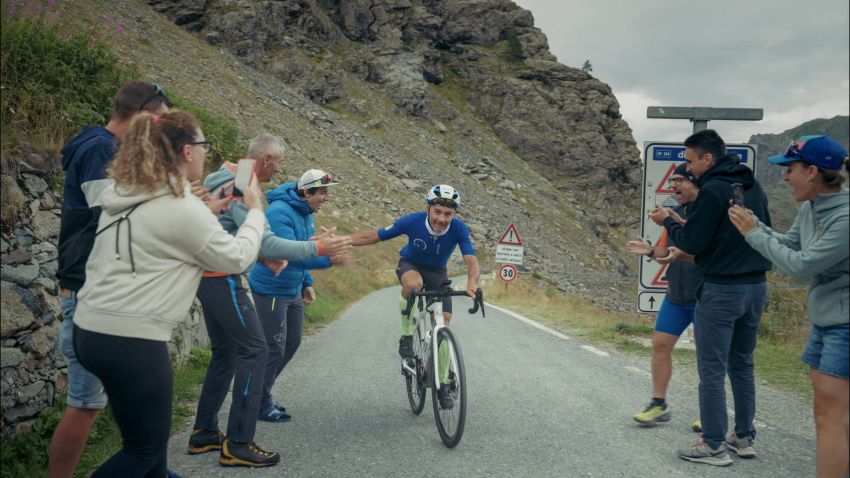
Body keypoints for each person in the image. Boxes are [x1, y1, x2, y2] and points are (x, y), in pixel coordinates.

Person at [71, 110, 267, 477]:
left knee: (154, 458)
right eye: (203, 145)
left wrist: (207, 210)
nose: (207, 152)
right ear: (187, 152)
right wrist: (255, 212)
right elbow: (237, 256)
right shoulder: (181, 208)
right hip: (131, 340)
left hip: (91, 329)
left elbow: (159, 226)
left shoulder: (133, 190)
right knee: (142, 453)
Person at [189, 135, 352, 467]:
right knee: (257, 349)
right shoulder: (241, 184)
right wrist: (319, 249)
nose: (280, 168)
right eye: (278, 161)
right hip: (221, 279)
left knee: (226, 352)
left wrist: (265, 258)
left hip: (210, 276)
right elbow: (268, 241)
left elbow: (233, 232)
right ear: (264, 159)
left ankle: (204, 432)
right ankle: (238, 443)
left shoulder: (229, 175)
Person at [49, 81, 171, 478]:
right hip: (89, 293)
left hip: (100, 292)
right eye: (161, 122)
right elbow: (113, 214)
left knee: (121, 400)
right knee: (85, 403)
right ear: (145, 117)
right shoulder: (99, 149)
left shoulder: (104, 147)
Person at [728, 135, 849, 478]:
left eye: (790, 169)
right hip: (826, 320)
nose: (784, 177)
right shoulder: (811, 208)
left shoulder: (845, 217)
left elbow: (801, 264)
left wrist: (754, 234)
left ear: (811, 172)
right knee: (827, 412)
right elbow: (788, 243)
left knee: (830, 415)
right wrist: (755, 224)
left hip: (844, 325)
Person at [649, 129, 771, 466]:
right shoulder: (751, 186)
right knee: (742, 365)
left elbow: (693, 242)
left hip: (722, 288)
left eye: (691, 161)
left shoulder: (713, 189)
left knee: (712, 370)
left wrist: (668, 223)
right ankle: (743, 437)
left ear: (708, 158)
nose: (690, 168)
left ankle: (713, 445)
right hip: (756, 286)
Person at [350, 184, 480, 409]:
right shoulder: (412, 221)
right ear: (428, 209)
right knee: (413, 285)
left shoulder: (458, 228)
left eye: (448, 214)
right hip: (410, 265)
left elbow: (471, 259)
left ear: (454, 214)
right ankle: (407, 336)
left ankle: (442, 383)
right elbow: (376, 235)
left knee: (444, 323)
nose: (441, 218)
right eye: (437, 212)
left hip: (438, 274)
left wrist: (472, 283)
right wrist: (343, 241)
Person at [248, 169, 349, 422]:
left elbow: (301, 248)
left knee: (291, 343)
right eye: (323, 192)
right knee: (273, 349)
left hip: (291, 289)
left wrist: (307, 282)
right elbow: (288, 255)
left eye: (328, 192)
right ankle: (257, 401)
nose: (327, 197)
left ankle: (262, 393)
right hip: (271, 289)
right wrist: (330, 259)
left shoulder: (306, 213)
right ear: (306, 192)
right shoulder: (279, 212)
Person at [627, 163, 702, 428]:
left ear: (697, 182)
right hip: (676, 293)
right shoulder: (675, 213)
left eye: (680, 180)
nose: (674, 186)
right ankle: (658, 403)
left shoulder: (708, 212)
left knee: (709, 355)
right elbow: (664, 253)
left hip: (705, 295)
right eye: (672, 181)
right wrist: (649, 251)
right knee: (660, 344)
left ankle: (710, 411)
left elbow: (706, 250)